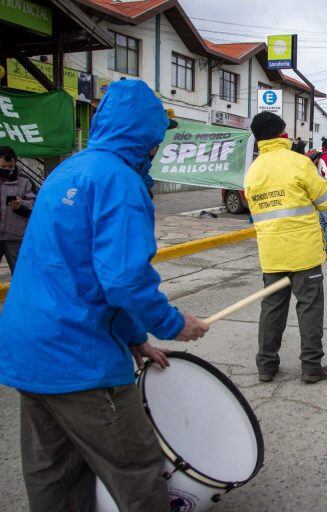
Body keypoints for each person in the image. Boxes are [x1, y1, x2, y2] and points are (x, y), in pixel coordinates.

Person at [0, 80, 209, 512]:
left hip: (28, 351)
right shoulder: (120, 182)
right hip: (79, 357)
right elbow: (124, 280)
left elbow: (82, 270)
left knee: (55, 474)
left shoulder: (69, 170)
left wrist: (135, 339)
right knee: (135, 468)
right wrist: (173, 323)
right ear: (148, 135)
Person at [245, 111, 327, 383]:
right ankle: (311, 367)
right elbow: (326, 201)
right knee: (309, 307)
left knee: (272, 309)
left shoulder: (254, 170)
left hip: (272, 252)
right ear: (282, 134)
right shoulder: (299, 162)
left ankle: (266, 365)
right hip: (303, 252)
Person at [0, 147, 36, 274]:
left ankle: (21, 294)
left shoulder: (25, 181)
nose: (7, 170)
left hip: (15, 237)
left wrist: (21, 205)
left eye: (10, 167)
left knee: (20, 274)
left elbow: (34, 205)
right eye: (3, 167)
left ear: (16, 162)